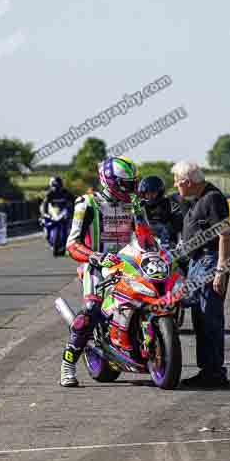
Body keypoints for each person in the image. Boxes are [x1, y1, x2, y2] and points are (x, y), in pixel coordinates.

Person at [59, 156, 139, 387]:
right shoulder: (87, 203)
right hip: (96, 266)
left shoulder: (134, 203)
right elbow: (71, 245)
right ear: (110, 181)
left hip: (128, 264)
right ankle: (68, 364)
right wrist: (96, 257)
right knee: (91, 310)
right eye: (126, 184)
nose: (130, 189)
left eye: (133, 183)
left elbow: (144, 234)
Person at [173, 161, 230, 388]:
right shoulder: (199, 198)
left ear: (187, 182)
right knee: (200, 320)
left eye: (177, 181)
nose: (175, 185)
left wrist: (220, 271)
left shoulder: (212, 199)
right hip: (198, 262)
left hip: (209, 262)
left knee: (210, 319)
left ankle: (215, 373)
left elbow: (225, 236)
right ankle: (208, 371)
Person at [138, 175, 184, 247]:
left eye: (152, 193)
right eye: (147, 193)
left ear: (160, 192)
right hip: (146, 245)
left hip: (169, 244)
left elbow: (179, 225)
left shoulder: (169, 202)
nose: (150, 196)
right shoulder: (140, 206)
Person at [40, 176, 74, 242]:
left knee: (72, 222)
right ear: (51, 185)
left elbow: (74, 200)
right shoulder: (49, 194)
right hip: (53, 211)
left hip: (63, 212)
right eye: (54, 186)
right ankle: (47, 232)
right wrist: (44, 213)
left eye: (58, 186)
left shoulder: (66, 192)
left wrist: (75, 209)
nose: (56, 188)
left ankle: (70, 237)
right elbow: (45, 204)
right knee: (43, 220)